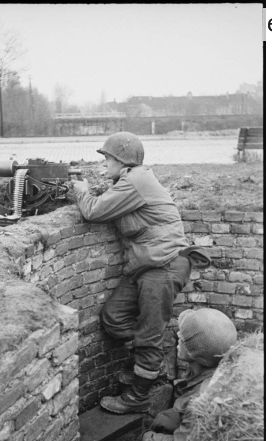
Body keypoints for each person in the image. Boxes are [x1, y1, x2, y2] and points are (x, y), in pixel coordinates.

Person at [72, 131, 209, 414]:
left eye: (107, 157)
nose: (104, 162)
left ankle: (138, 397)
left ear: (122, 160)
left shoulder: (135, 181)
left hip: (164, 266)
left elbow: (93, 211)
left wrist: (81, 191)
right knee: (113, 317)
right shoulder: (129, 180)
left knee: (148, 334)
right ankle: (153, 361)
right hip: (147, 267)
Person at [138, 308, 238, 441]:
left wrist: (148, 439)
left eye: (182, 339)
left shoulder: (201, 400)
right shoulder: (218, 369)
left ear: (195, 353)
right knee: (166, 419)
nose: (178, 341)